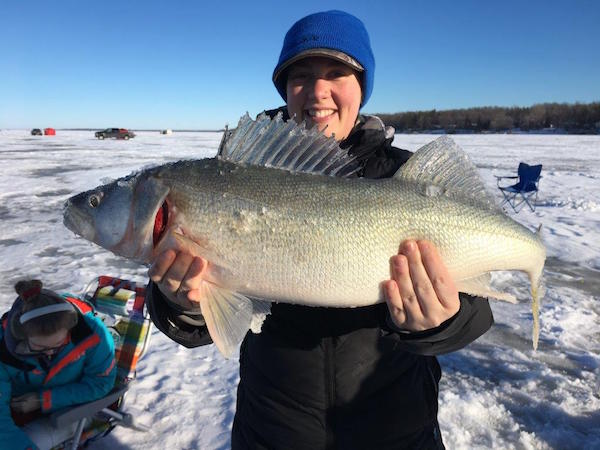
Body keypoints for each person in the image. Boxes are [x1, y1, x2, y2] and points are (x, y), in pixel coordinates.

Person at [146, 10, 494, 450]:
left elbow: (477, 312)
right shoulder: (236, 173)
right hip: (272, 432)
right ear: (285, 88)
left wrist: (440, 323)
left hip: (397, 432)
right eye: (301, 76)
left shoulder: (408, 178)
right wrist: (184, 305)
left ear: (360, 87)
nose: (317, 91)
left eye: (336, 73)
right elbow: (199, 321)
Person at [0, 280, 116, 450]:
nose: (49, 353)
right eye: (39, 347)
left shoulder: (92, 334)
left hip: (72, 408)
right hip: (14, 407)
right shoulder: (3, 348)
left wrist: (43, 399)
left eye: (59, 344)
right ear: (21, 335)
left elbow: (100, 383)